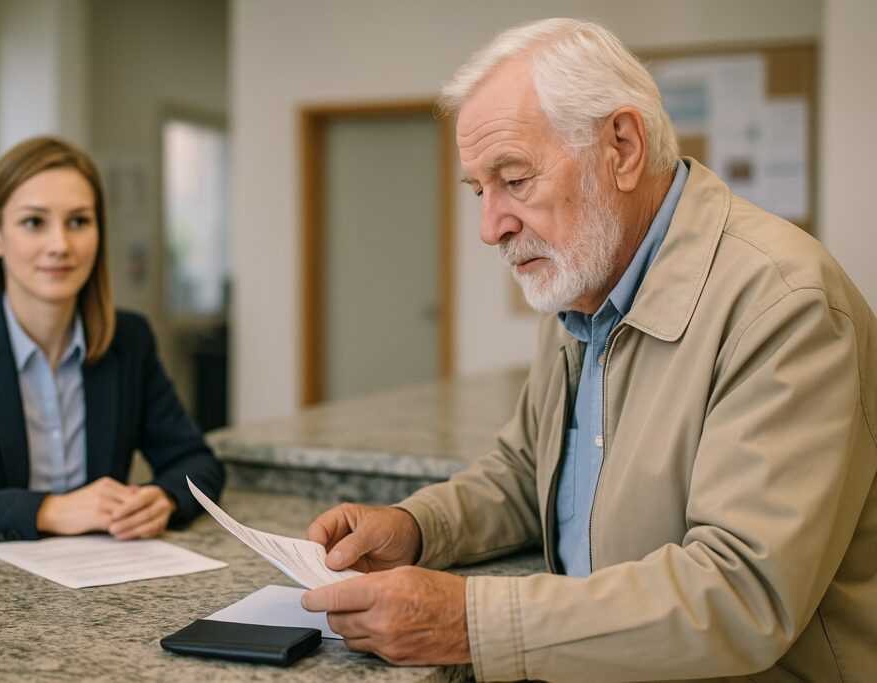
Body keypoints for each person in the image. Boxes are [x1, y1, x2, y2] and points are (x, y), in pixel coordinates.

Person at [300, 18, 877, 682]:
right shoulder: (581, 279)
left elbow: (740, 595)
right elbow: (527, 473)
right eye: (479, 190)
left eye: (514, 179)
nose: (492, 227)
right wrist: (415, 526)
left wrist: (468, 618)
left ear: (622, 147)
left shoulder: (784, 304)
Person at [0, 136, 225, 542]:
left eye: (79, 222)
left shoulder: (128, 340)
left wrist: (165, 498)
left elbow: (195, 461)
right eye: (35, 222)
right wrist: (48, 510)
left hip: (100, 581)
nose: (60, 245)